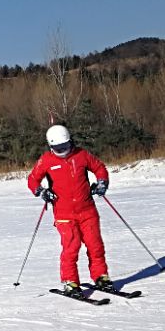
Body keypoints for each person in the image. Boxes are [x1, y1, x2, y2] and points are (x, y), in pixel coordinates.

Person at [26, 124, 113, 297]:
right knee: (71, 247)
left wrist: (102, 182)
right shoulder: (46, 160)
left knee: (95, 245)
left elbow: (99, 168)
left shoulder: (81, 155)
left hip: (87, 210)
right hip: (64, 214)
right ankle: (70, 281)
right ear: (51, 147)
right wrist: (42, 192)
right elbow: (32, 179)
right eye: (58, 148)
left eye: (66, 146)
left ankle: (100, 276)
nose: (63, 151)